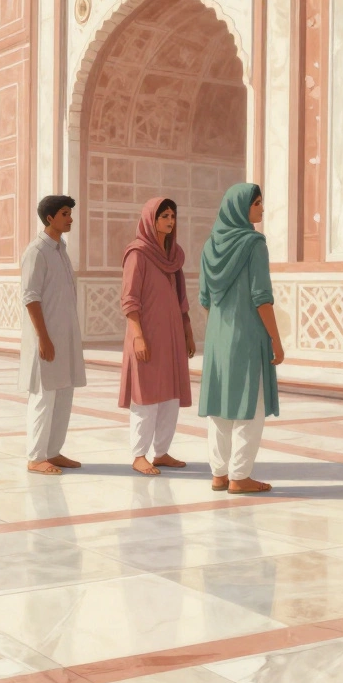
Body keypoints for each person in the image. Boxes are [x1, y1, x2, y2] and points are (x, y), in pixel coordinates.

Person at [198, 183, 283, 495]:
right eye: (256, 203)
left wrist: (218, 335)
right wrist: (276, 339)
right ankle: (240, 475)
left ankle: (219, 474)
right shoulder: (253, 244)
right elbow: (261, 298)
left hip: (218, 338)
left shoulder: (210, 246)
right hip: (247, 337)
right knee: (250, 406)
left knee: (220, 406)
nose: (261, 209)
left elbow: (205, 299)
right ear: (240, 208)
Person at [119, 197, 196, 476]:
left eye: (172, 216)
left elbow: (181, 300)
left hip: (172, 337)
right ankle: (139, 454)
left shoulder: (173, 256)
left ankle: (161, 452)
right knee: (146, 396)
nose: (169, 220)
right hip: (147, 336)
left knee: (170, 397)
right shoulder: (137, 254)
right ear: (151, 219)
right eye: (163, 216)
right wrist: (138, 337)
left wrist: (187, 333)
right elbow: (129, 300)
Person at [19, 195, 88, 476]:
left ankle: (53, 451)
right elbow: (30, 297)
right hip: (46, 339)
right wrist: (43, 338)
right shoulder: (37, 251)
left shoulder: (61, 249)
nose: (70, 218)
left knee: (64, 393)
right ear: (50, 218)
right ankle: (36, 456)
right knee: (44, 395)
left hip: (66, 337)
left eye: (70, 212)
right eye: (64, 213)